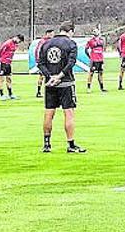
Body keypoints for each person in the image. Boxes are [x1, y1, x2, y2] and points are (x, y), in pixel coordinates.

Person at [37, 21, 86, 153]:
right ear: (71, 32)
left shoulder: (46, 44)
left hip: (50, 84)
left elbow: (40, 63)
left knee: (49, 112)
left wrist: (50, 76)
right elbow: (71, 63)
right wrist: (60, 76)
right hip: (66, 83)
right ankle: (71, 144)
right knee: (69, 113)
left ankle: (47, 144)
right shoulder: (71, 44)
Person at [0, 34, 23, 100]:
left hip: (8, 64)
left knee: (9, 79)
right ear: (16, 38)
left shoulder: (15, 45)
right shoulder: (7, 43)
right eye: (19, 41)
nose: (19, 42)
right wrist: (0, 59)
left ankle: (10, 94)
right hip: (2, 63)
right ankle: (1, 95)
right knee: (1, 79)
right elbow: (0, 51)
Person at [85, 28, 107, 93]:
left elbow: (103, 48)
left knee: (100, 73)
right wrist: (90, 57)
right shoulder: (90, 41)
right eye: (94, 31)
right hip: (94, 59)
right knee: (91, 73)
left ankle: (102, 87)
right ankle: (88, 87)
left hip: (100, 59)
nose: (95, 32)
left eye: (96, 31)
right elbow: (86, 49)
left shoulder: (102, 40)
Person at [35, 29, 55, 98]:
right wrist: (38, 60)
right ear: (48, 34)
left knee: (47, 76)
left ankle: (48, 91)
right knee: (42, 76)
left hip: (49, 62)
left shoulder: (51, 41)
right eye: (52, 34)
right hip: (43, 62)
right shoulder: (42, 41)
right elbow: (38, 51)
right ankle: (39, 91)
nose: (53, 35)